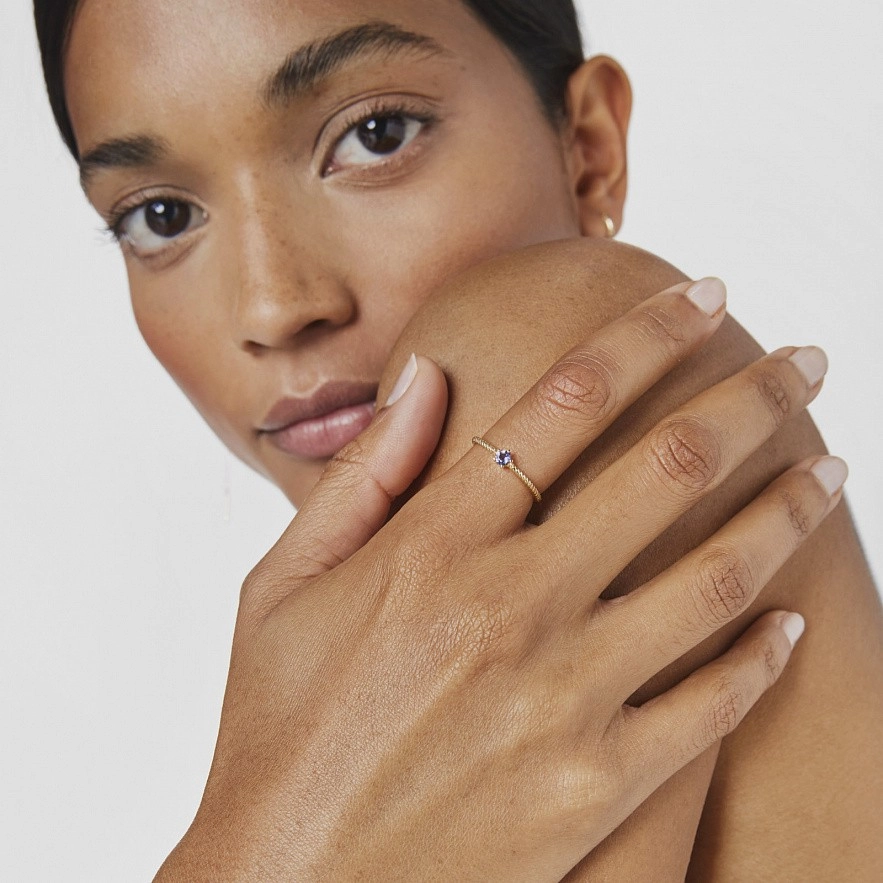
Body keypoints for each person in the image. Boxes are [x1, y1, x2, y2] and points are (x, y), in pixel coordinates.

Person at [34, 0, 882, 879]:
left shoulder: (555, 344)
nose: (273, 306)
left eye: (374, 135)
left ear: (588, 149)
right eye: (161, 216)